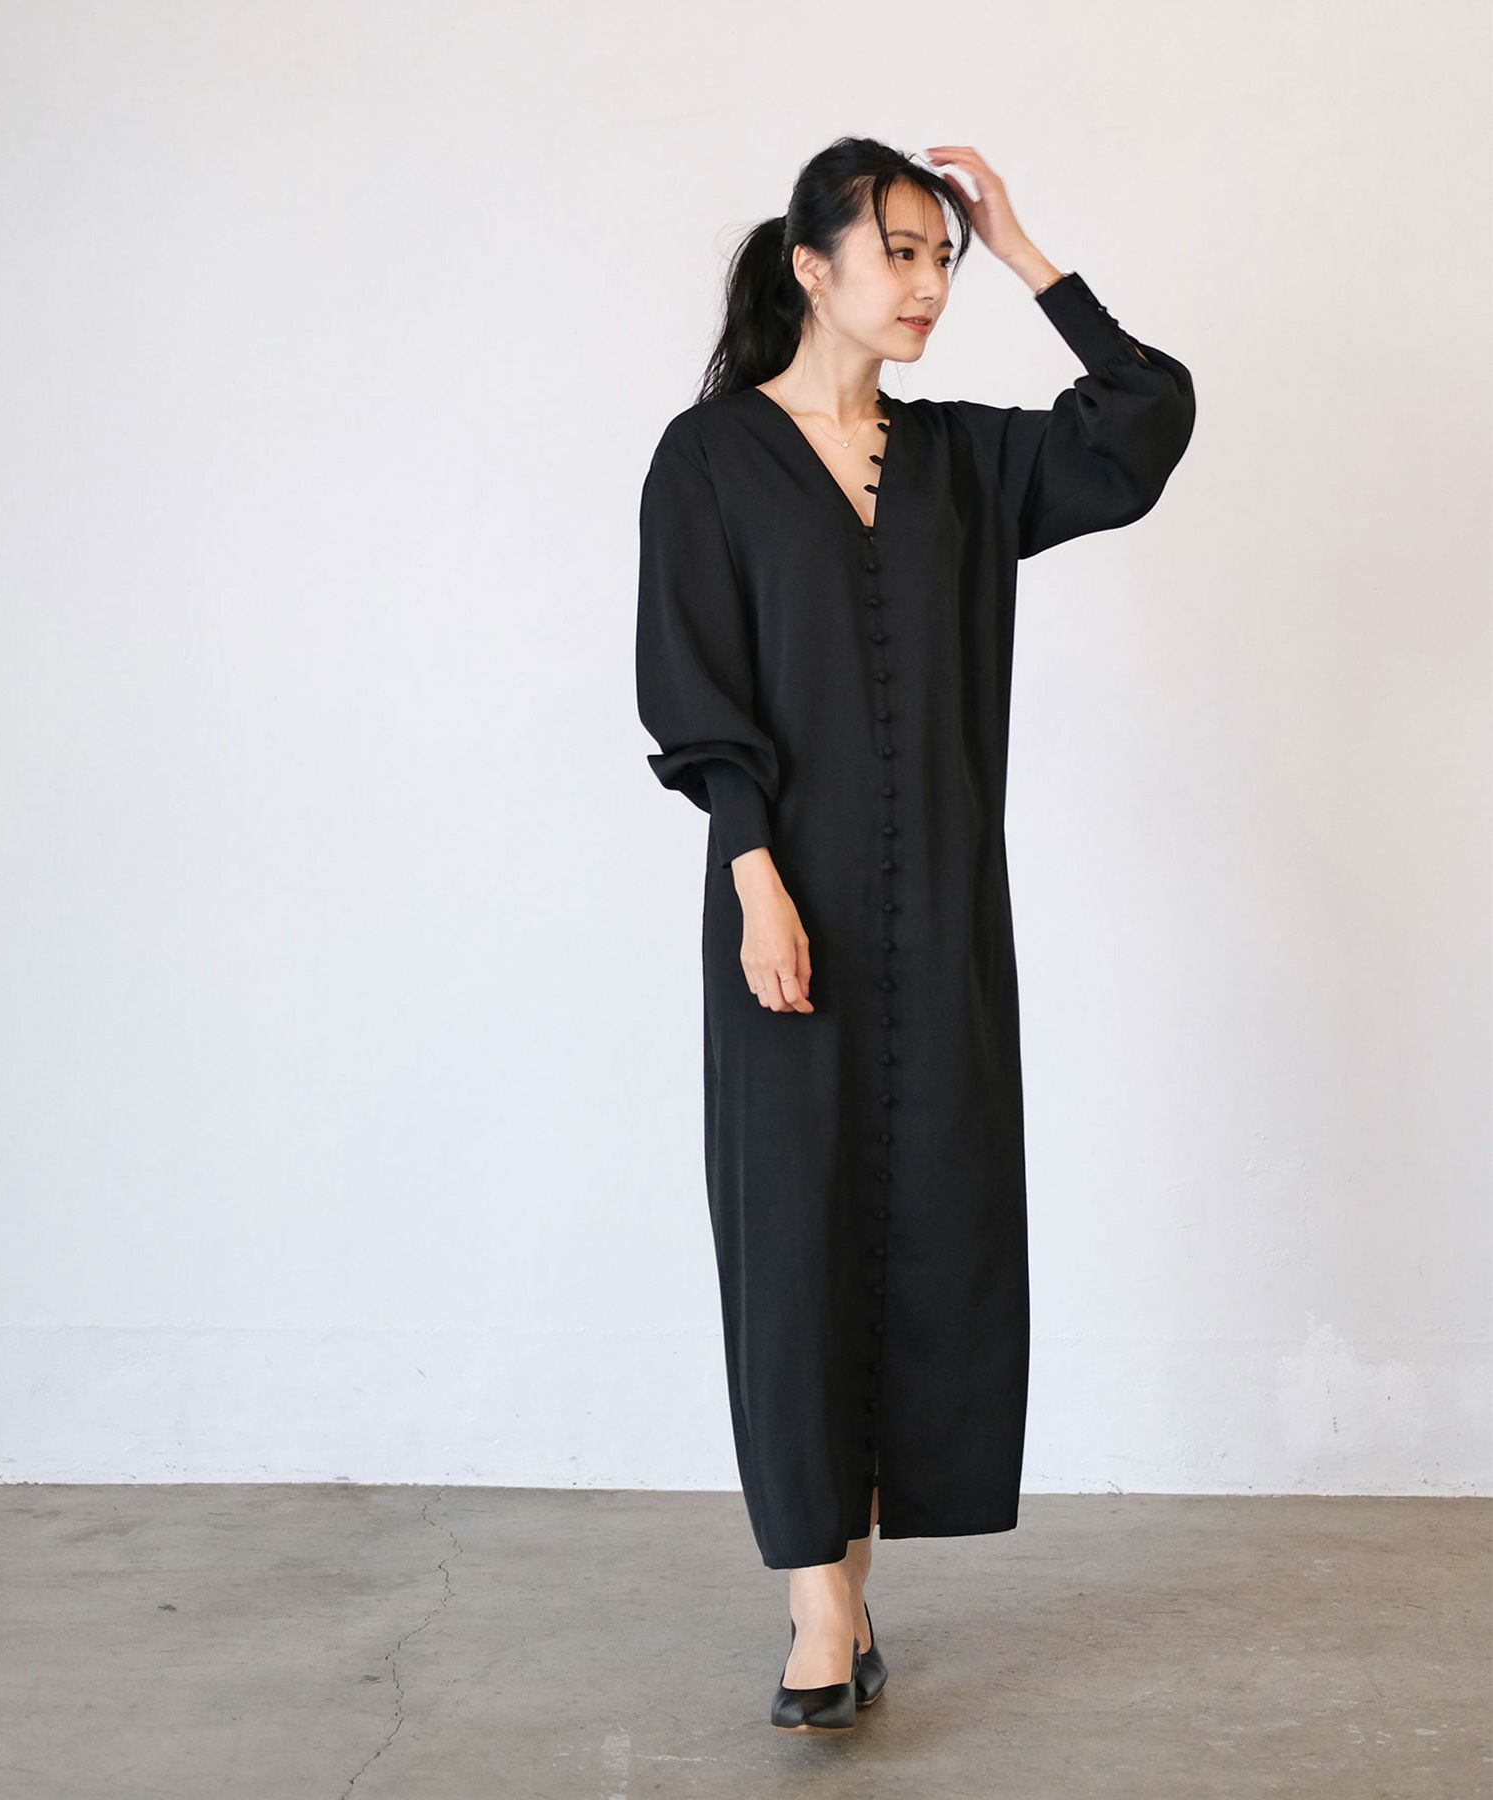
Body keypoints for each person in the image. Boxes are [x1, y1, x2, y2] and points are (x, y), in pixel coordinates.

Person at [634, 134, 1196, 1732]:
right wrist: (754, 878)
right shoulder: (709, 458)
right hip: (784, 915)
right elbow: (693, 685)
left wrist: (1026, 251)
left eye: (940, 256)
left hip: (940, 923)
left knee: (928, 1230)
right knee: (795, 1243)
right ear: (810, 265)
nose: (929, 283)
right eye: (901, 251)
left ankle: (853, 1589)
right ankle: (819, 1610)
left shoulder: (963, 462)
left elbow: (1145, 422)